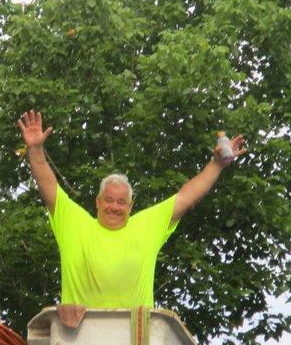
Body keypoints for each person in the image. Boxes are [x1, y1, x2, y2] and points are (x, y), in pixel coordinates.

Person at [17, 109, 246, 309]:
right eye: (109, 200)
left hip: (134, 343)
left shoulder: (146, 225)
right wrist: (35, 149)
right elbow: (48, 186)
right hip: (79, 340)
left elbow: (186, 197)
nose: (114, 207)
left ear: (130, 206)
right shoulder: (75, 223)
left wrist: (216, 165)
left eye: (121, 202)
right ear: (97, 201)